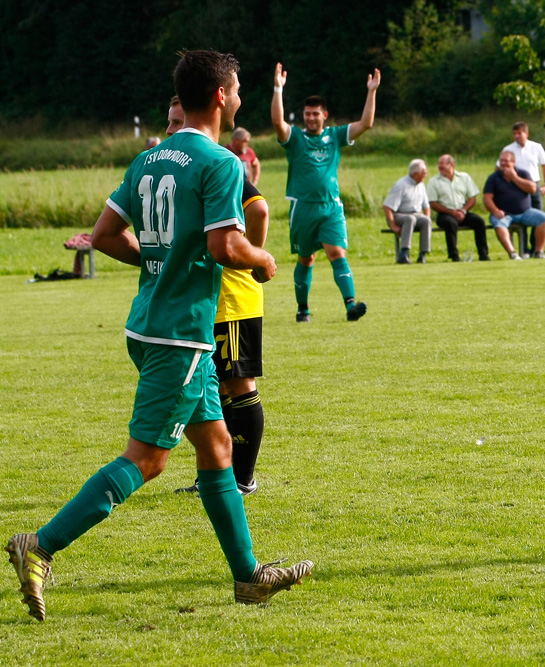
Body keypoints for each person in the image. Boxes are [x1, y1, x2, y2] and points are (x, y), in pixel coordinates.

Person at [5, 50, 312, 623]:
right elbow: (226, 247)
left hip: (151, 325)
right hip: (179, 336)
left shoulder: (148, 161)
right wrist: (263, 259)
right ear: (221, 95)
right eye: (239, 86)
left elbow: (103, 235)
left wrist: (159, 262)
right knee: (147, 460)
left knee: (218, 448)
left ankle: (248, 578)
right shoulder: (219, 162)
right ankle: (40, 546)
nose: (240, 93)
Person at [165, 97, 270, 497]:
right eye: (169, 122)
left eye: (179, 121)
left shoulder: (217, 160)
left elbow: (258, 209)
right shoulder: (181, 164)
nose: (173, 130)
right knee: (216, 389)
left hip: (231, 298)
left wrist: (249, 260)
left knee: (238, 384)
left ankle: (242, 478)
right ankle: (216, 475)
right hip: (206, 298)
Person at [272, 62, 380, 323]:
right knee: (306, 258)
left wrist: (372, 91)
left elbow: (366, 123)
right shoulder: (296, 138)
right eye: (307, 114)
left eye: (315, 114)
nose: (310, 118)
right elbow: (277, 121)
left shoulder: (335, 136)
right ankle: (303, 309)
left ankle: (350, 305)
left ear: (325, 115)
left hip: (331, 206)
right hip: (303, 208)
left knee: (336, 253)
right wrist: (278, 88)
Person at [483, 150, 545, 260]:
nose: (503, 164)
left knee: (543, 218)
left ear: (513, 162)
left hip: (525, 212)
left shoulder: (523, 174)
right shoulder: (494, 178)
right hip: (504, 214)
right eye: (501, 161)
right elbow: (487, 198)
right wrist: (495, 211)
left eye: (506, 161)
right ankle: (512, 253)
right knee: (499, 224)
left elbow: (533, 188)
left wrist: (515, 178)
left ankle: (538, 252)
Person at [426, 154, 490, 262]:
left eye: (442, 164)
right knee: (451, 223)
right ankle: (454, 256)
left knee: (479, 222)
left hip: (462, 211)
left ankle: (484, 254)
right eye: (439, 164)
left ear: (451, 165)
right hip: (444, 213)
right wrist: (451, 212)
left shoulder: (464, 177)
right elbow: (433, 203)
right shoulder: (434, 181)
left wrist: (463, 211)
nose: (439, 166)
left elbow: (472, 198)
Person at [500, 121, 545, 254]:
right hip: (516, 187)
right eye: (514, 134)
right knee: (522, 216)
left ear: (526, 134)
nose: (517, 136)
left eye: (519, 133)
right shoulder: (508, 149)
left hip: (534, 185)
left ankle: (536, 248)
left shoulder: (536, 147)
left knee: (538, 215)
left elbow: (544, 165)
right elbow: (499, 167)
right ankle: (524, 249)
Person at [383, 159, 432, 264]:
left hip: (416, 214)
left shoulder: (421, 185)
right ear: (415, 174)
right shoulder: (401, 185)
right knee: (410, 219)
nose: (426, 175)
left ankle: (423, 254)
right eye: (424, 173)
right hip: (399, 214)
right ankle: (404, 253)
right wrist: (393, 226)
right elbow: (387, 206)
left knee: (426, 221)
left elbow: (426, 206)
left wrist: (427, 217)